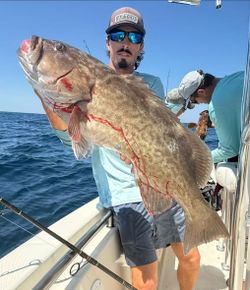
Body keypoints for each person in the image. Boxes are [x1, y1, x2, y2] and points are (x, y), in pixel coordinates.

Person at [36, 7, 200, 290]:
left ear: (140, 47)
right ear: (108, 42)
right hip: (126, 196)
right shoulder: (83, 87)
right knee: (146, 283)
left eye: (133, 36)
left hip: (162, 185)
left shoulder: (153, 84)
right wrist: (46, 94)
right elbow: (72, 142)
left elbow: (159, 136)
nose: (125, 42)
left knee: (192, 259)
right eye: (118, 34)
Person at [169, 69, 244, 164]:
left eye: (194, 101)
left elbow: (230, 149)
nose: (199, 104)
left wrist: (192, 162)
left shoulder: (216, 104)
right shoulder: (237, 76)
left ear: (201, 92)